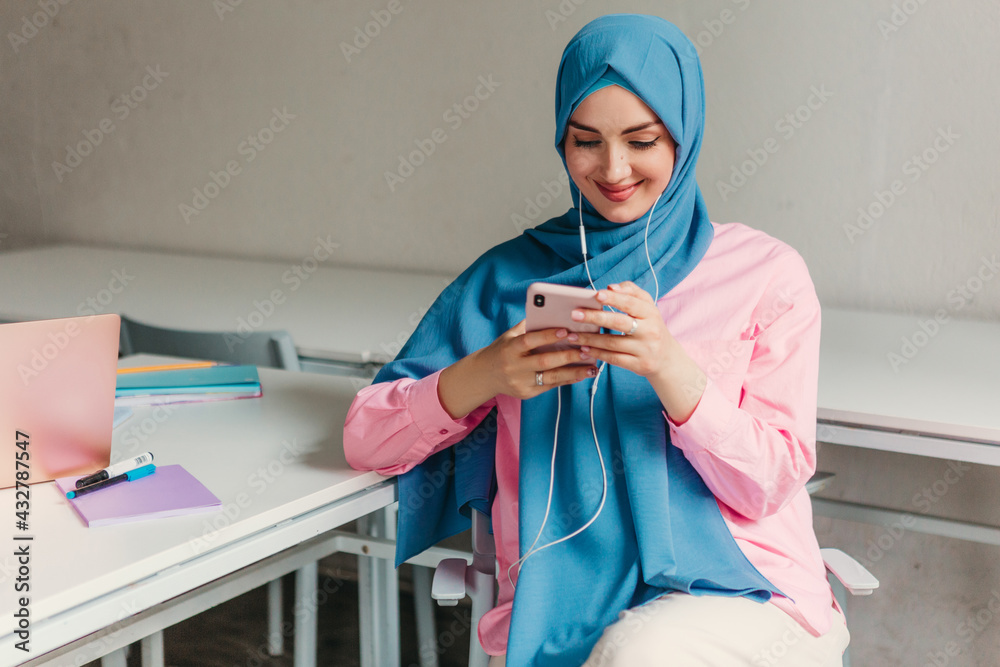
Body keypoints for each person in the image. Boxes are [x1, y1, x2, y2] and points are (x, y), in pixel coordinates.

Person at [344, 13, 849, 667]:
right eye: (586, 141)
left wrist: (673, 371)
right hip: (558, 608)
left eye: (642, 140)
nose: (613, 169)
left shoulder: (764, 275)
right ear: (561, 140)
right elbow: (364, 436)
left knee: (639, 653)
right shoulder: (507, 279)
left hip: (744, 598)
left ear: (684, 135)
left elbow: (771, 483)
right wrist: (485, 374)